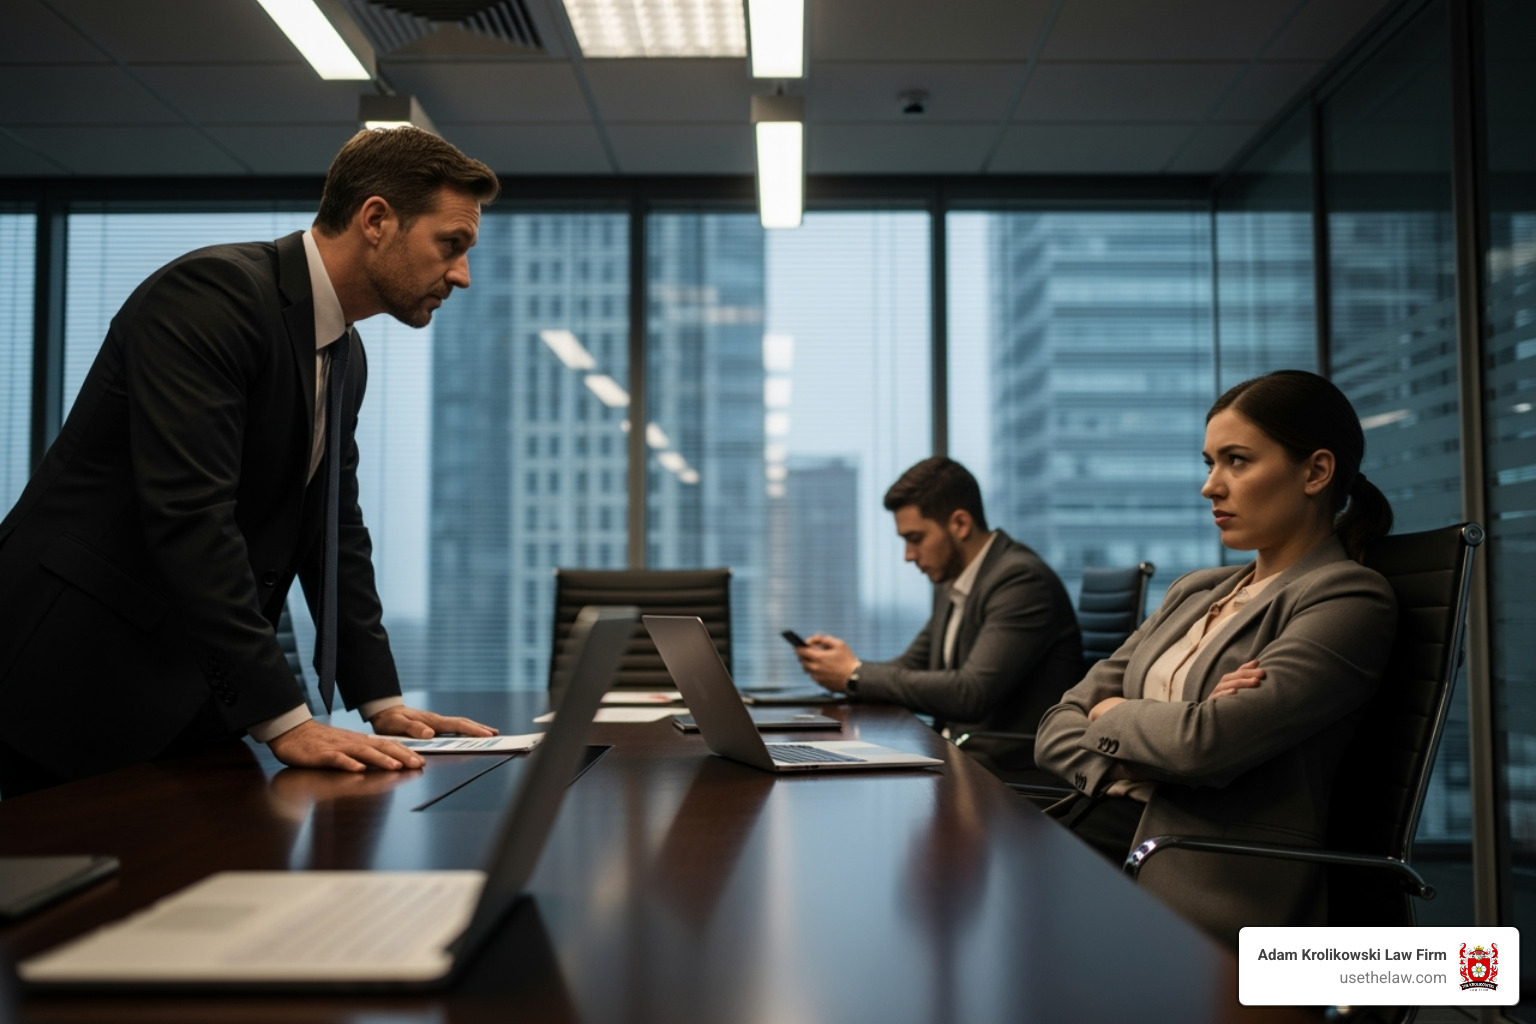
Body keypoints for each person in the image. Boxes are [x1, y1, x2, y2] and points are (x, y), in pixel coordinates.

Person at [0, 127, 503, 798]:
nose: (462, 274)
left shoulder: (344, 354)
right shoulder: (213, 296)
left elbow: (334, 534)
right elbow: (191, 517)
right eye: (452, 244)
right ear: (376, 220)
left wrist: (380, 699)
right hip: (74, 679)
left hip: (189, 694)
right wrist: (286, 720)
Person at [1035, 370, 1397, 947]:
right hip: (1098, 825)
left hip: (1188, 868)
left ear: (1316, 472)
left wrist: (1111, 715)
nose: (1210, 486)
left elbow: (1204, 745)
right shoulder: (1195, 591)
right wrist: (1153, 752)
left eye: (1237, 461)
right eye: (1210, 463)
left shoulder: (1347, 598)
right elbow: (1055, 728)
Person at [793, 456, 1083, 775]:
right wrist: (843, 670)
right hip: (966, 762)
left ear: (960, 524)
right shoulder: (957, 582)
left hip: (1011, 777)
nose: (908, 555)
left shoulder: (1021, 581)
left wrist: (855, 674)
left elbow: (971, 693)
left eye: (915, 539)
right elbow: (909, 666)